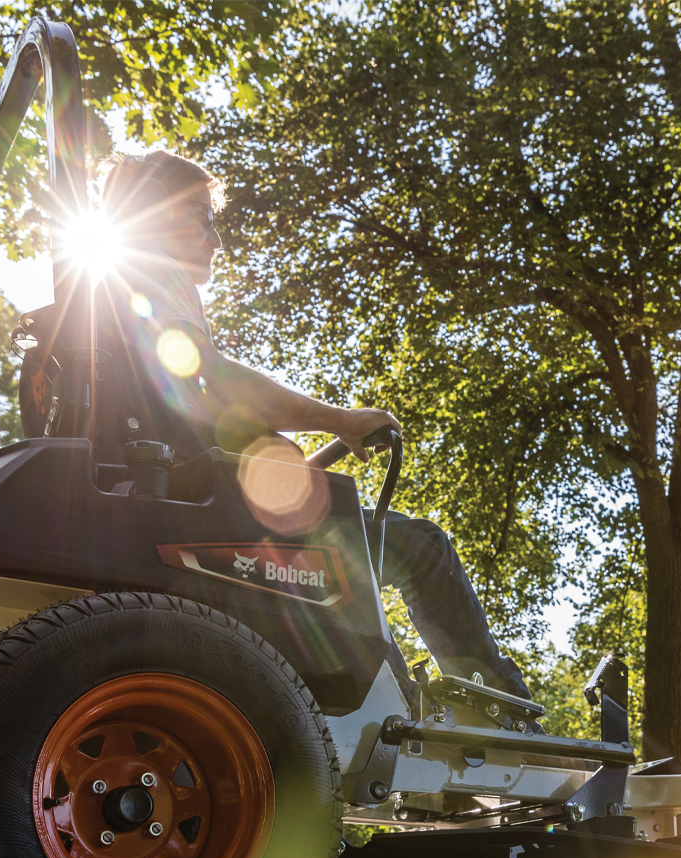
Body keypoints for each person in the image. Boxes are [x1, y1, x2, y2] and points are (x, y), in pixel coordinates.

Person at [94, 150, 535, 705]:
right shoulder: (153, 273)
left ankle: (402, 709)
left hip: (181, 502)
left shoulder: (103, 300)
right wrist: (343, 421)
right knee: (423, 549)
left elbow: (203, 416)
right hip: (205, 519)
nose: (216, 239)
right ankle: (501, 719)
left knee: (354, 551)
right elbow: (223, 382)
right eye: (203, 217)